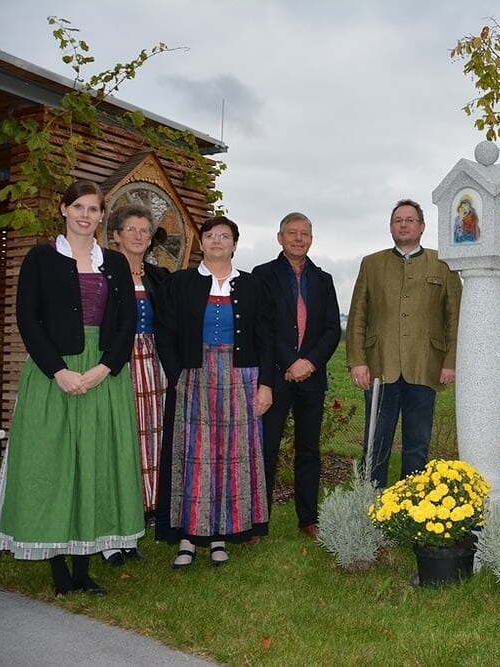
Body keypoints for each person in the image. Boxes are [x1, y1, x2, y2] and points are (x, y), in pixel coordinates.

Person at [0, 179, 143, 596]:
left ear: (101, 215)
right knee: (54, 464)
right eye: (79, 207)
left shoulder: (114, 261)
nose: (86, 216)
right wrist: (58, 370)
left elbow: (127, 322)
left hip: (103, 373)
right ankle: (58, 572)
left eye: (93, 209)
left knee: (94, 462)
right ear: (64, 209)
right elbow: (28, 318)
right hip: (52, 371)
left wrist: (105, 367)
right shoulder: (41, 258)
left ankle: (84, 567)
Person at [154, 216, 274, 568]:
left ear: (235, 244)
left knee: (230, 457)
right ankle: (189, 537)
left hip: (241, 377)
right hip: (195, 376)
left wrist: (266, 383)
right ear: (201, 243)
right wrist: (178, 375)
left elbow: (267, 337)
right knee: (195, 455)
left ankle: (220, 535)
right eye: (211, 236)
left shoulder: (253, 286)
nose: (217, 241)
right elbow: (166, 332)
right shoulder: (181, 283)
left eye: (225, 236)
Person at [346, 199, 461, 489]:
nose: (404, 224)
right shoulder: (372, 264)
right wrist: (357, 360)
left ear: (422, 226)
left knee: (417, 446)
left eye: (410, 220)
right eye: (398, 220)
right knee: (375, 443)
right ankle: (370, 504)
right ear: (390, 227)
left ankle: (409, 511)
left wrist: (450, 362)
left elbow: (456, 318)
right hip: (379, 367)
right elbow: (358, 315)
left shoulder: (443, 263)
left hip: (425, 367)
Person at [252, 212, 341, 540]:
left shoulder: (323, 279)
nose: (298, 238)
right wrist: (291, 362)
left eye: (304, 234)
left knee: (309, 450)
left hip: (312, 379)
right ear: (280, 237)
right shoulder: (263, 275)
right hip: (275, 377)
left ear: (311, 239)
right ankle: (258, 521)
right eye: (292, 233)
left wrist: (309, 363)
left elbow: (333, 329)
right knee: (267, 448)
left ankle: (308, 518)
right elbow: (262, 326)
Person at [100, 203, 170, 566]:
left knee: (150, 440)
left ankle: (141, 515)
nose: (139, 236)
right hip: (116, 363)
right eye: (132, 229)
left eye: (145, 230)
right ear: (115, 234)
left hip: (153, 364)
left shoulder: (157, 277)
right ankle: (111, 533)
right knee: (118, 442)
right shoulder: (103, 274)